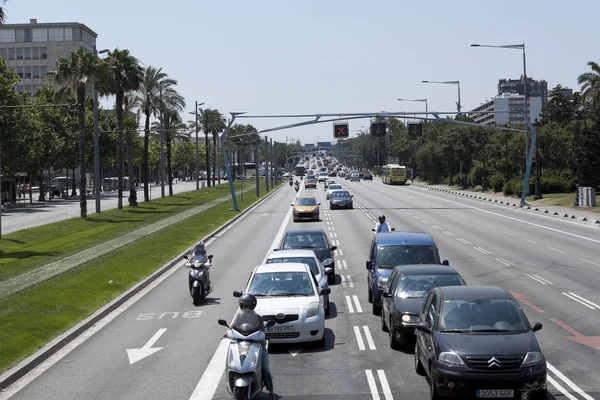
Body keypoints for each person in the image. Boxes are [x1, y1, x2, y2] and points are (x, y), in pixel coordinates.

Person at [230, 294, 274, 398]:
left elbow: (262, 332)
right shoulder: (239, 317)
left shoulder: (258, 318)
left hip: (256, 345)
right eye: (244, 305)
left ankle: (270, 389)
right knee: (232, 363)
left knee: (265, 367)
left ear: (252, 306)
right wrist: (227, 332)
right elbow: (233, 327)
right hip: (242, 344)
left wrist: (263, 337)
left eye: (248, 305)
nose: (246, 308)